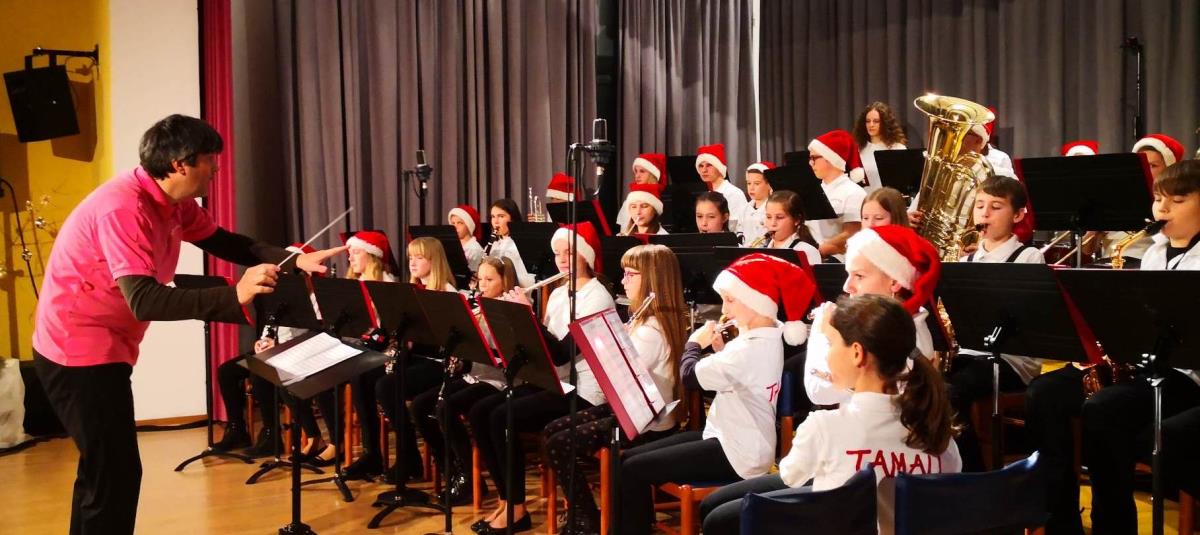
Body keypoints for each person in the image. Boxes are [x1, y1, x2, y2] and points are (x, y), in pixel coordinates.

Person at [30, 114, 343, 534]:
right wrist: (234, 294)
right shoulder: (123, 208)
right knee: (113, 473)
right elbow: (144, 299)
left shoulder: (174, 202)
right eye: (210, 159)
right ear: (180, 164)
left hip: (106, 344)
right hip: (76, 348)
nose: (217, 168)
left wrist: (293, 259)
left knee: (105, 472)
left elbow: (225, 242)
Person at [700, 295, 962, 535]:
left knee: (720, 519)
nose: (828, 354)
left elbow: (791, 474)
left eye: (832, 343)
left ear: (857, 353)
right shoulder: (936, 429)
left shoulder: (825, 426)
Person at [616, 253, 816, 535]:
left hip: (737, 452)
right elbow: (739, 374)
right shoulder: (769, 334)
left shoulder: (747, 349)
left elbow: (689, 376)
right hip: (731, 436)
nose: (724, 309)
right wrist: (722, 350)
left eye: (731, 300)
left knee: (632, 469)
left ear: (756, 302)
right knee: (628, 460)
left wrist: (694, 343)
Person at [470, 222, 615, 534]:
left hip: (585, 390)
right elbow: (542, 348)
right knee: (481, 411)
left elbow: (563, 353)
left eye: (569, 252)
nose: (561, 259)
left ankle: (517, 508)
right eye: (557, 253)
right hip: (556, 381)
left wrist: (528, 317)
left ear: (586, 256)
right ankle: (506, 499)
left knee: (502, 416)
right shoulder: (560, 293)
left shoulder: (598, 297)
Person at [1082, 160, 1200, 534]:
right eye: (1158, 198)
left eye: (1177, 200)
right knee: (1099, 411)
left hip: (1189, 376)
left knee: (1123, 422)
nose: (1163, 208)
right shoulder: (1153, 252)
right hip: (1154, 370)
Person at [544, 244, 688, 534]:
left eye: (630, 274)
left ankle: (587, 517)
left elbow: (617, 377)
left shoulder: (651, 331)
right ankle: (585, 513)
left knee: (560, 442)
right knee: (552, 431)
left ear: (652, 279)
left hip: (646, 423)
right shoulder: (645, 321)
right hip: (631, 412)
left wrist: (602, 343)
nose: (623, 281)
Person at [946, 176, 1045, 472]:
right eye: (979, 206)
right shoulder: (965, 261)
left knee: (950, 394)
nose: (985, 214)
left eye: (996, 207)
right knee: (921, 384)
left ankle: (975, 476)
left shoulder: (1028, 256)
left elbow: (1027, 315)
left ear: (1018, 215)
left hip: (1010, 360)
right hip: (970, 355)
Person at [804, 224, 941, 406]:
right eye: (848, 274)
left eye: (859, 276)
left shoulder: (902, 336)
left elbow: (820, 392)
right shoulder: (887, 324)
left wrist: (829, 335)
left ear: (895, 282)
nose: (847, 287)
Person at [806, 129, 867, 259]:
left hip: (837, 261)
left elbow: (852, 233)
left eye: (814, 158)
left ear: (830, 158)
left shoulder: (853, 192)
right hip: (813, 257)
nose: (810, 163)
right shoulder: (813, 190)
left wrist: (819, 251)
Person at [853, 102, 908, 191]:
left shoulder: (898, 148)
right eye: (868, 121)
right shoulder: (858, 149)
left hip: (888, 198)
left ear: (885, 123)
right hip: (864, 198)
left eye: (876, 121)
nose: (871, 125)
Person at [695, 143, 749, 231]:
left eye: (709, 165)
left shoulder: (734, 193)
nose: (704, 170)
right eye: (701, 166)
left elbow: (738, 227)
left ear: (719, 167)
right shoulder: (708, 194)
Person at [761, 190, 822, 266]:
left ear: (797, 219)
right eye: (768, 217)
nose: (773, 223)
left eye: (779, 217)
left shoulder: (806, 251)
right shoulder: (760, 249)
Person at [484, 199, 535, 286]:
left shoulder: (520, 245)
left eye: (501, 216)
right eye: (493, 216)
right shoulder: (493, 245)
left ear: (512, 219)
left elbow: (528, 280)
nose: (496, 221)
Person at [616, 153, 668, 226]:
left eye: (642, 171)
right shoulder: (632, 196)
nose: (637, 176)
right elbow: (625, 227)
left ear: (652, 174)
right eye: (636, 171)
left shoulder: (665, 196)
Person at [735, 161, 775, 244]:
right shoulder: (744, 209)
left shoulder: (773, 208)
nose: (751, 188)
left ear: (769, 185)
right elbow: (739, 232)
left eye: (757, 184)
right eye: (749, 183)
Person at [449, 204, 485, 272]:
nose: (455, 227)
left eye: (460, 223)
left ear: (469, 225)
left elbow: (472, 273)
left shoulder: (474, 250)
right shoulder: (451, 246)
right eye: (453, 223)